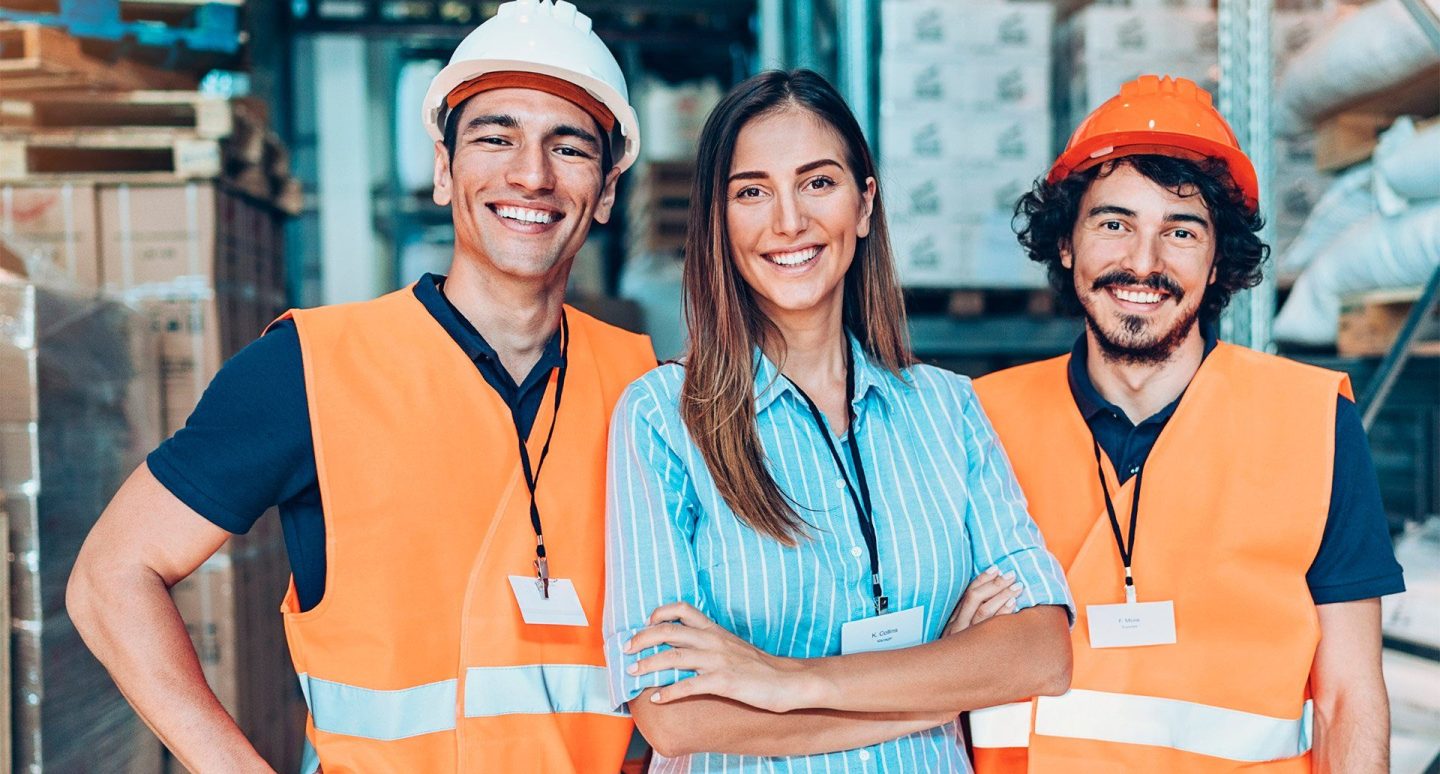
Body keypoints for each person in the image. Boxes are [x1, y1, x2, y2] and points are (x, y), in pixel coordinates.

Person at [65, 1, 655, 771]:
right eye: (495, 137)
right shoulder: (311, 368)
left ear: (607, 190)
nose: (531, 174)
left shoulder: (647, 389)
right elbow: (110, 577)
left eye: (568, 146)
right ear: (445, 170)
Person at [602, 68, 1074, 772]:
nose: (788, 220)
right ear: (719, 221)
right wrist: (944, 682)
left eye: (818, 183)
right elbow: (675, 715)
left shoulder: (948, 408)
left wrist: (785, 682)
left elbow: (1041, 652)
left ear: (864, 205)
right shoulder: (663, 420)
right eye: (752, 191)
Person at [968, 75, 1405, 773]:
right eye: (1114, 223)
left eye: (1181, 231)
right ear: (1066, 244)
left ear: (1217, 260)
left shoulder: (1314, 423)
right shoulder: (977, 423)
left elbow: (1348, 699)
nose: (1143, 262)